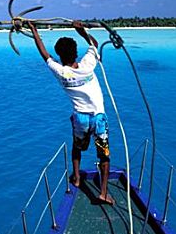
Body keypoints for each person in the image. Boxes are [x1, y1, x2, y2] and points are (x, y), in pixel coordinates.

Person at [28, 20, 114, 205]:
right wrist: (81, 31)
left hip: (81, 119)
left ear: (60, 55)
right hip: (99, 118)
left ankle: (76, 178)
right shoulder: (88, 65)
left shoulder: (61, 72)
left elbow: (45, 55)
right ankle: (103, 193)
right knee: (104, 155)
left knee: (77, 148)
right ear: (76, 53)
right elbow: (94, 45)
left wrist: (34, 31)